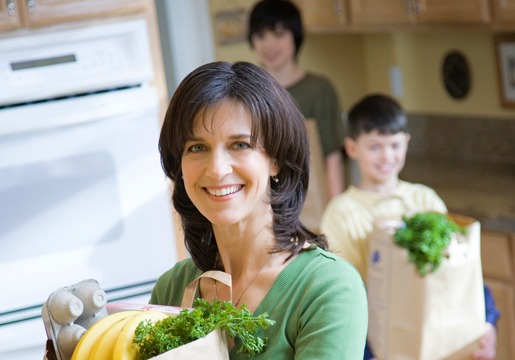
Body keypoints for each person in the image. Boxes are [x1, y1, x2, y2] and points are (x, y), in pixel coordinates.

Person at [151, 61, 368, 359]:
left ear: (276, 160)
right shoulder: (171, 289)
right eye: (197, 148)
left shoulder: (327, 288)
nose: (216, 169)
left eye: (239, 144)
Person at [320, 94, 500, 360]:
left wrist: (488, 324)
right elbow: (348, 296)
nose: (386, 155)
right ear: (352, 148)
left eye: (394, 145)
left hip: (440, 330)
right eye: (374, 147)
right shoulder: (341, 212)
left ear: (406, 142)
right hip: (381, 341)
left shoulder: (424, 199)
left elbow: (462, 272)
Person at [247, 0, 345, 201]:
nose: (269, 44)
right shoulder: (249, 90)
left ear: (295, 35)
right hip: (262, 204)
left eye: (279, 34)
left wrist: (336, 210)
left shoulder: (319, 89)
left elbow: (332, 157)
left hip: (310, 203)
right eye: (260, 36)